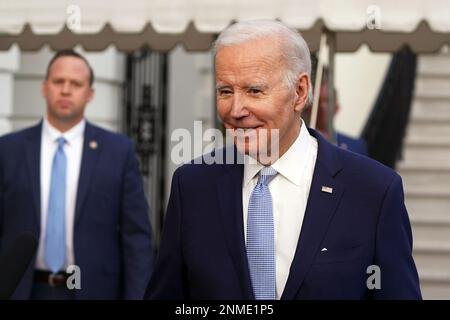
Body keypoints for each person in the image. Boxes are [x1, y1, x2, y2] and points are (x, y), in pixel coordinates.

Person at [145, 20, 421, 299]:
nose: (236, 109)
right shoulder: (192, 186)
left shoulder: (373, 191)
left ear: (299, 92)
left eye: (254, 90)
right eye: (225, 91)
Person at [0, 50, 154, 299]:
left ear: (90, 93)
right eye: (58, 81)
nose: (66, 90)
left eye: (76, 84)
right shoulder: (9, 149)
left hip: (93, 290)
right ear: (44, 87)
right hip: (23, 290)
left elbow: (136, 237)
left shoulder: (117, 152)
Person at [303, 76, 369, 155]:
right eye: (317, 101)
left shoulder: (356, 146)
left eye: (327, 101)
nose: (322, 106)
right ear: (306, 108)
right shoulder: (299, 141)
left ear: (337, 107)